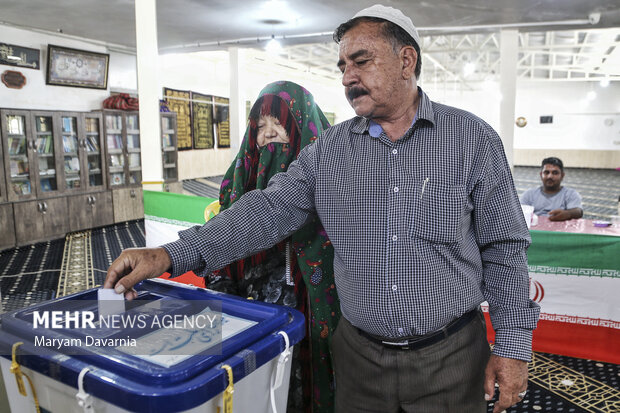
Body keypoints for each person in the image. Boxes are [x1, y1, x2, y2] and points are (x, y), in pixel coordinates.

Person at [105, 5, 539, 413]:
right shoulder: (328, 150)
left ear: (407, 61)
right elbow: (268, 210)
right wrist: (168, 255)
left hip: (450, 359)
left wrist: (514, 347)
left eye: (361, 61)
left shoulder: (471, 141)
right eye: (343, 66)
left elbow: (504, 249)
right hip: (358, 361)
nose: (348, 77)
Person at [205, 81, 340, 413]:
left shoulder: (336, 185)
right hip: (252, 324)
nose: (267, 135)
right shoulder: (237, 181)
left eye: (278, 125)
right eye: (260, 126)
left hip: (315, 325)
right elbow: (221, 246)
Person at [520, 157, 583, 221]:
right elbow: (518, 212)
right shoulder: (529, 194)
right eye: (546, 172)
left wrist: (568, 214)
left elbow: (578, 211)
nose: (550, 176)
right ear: (541, 175)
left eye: (555, 173)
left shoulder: (570, 194)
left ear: (562, 176)